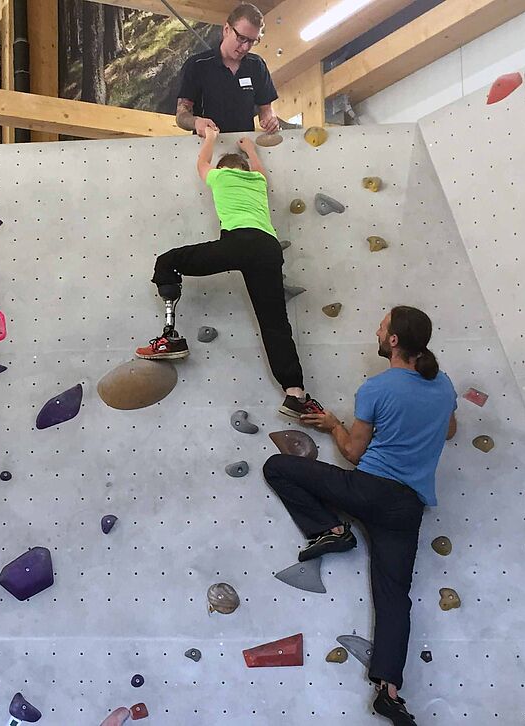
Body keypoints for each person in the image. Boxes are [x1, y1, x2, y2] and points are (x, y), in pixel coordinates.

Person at [263, 306, 458, 726]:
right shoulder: (443, 387)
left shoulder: (377, 388)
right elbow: (450, 430)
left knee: (276, 467)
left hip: (366, 490)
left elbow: (353, 452)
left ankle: (331, 530)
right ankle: (388, 691)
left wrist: (333, 424)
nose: (376, 328)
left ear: (392, 342)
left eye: (381, 325)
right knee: (393, 597)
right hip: (407, 508)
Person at [137, 129, 323, 418]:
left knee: (168, 262)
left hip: (237, 242)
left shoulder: (220, 177)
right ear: (246, 170)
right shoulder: (257, 180)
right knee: (274, 323)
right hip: (268, 248)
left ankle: (169, 336)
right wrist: (250, 147)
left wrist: (210, 137)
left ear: (223, 170)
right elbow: (259, 167)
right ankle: (295, 394)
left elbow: (201, 163)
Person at [176, 3, 279, 136]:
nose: (245, 47)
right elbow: (181, 115)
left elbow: (266, 109)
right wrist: (196, 122)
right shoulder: (197, 65)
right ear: (226, 29)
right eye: (241, 38)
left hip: (245, 148)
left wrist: (270, 121)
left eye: (252, 41)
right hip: (207, 146)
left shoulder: (257, 66)